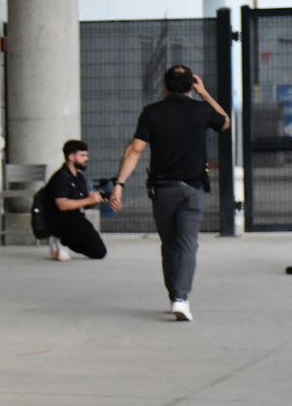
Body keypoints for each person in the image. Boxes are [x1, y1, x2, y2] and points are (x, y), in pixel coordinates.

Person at [110, 66, 230, 321]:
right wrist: (205, 93)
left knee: (169, 244)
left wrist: (119, 184)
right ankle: (180, 298)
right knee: (187, 245)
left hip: (162, 191)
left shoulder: (152, 113)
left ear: (165, 86)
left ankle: (174, 293)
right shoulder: (202, 110)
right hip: (192, 190)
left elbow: (134, 150)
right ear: (190, 86)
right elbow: (225, 122)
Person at [42, 140, 108, 262]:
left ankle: (64, 240)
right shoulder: (60, 177)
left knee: (99, 252)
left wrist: (95, 201)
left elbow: (82, 203)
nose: (86, 159)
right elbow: (62, 205)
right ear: (71, 157)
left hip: (76, 219)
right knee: (81, 225)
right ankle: (62, 242)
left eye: (86, 155)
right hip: (58, 220)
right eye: (82, 155)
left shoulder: (79, 177)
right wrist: (88, 200)